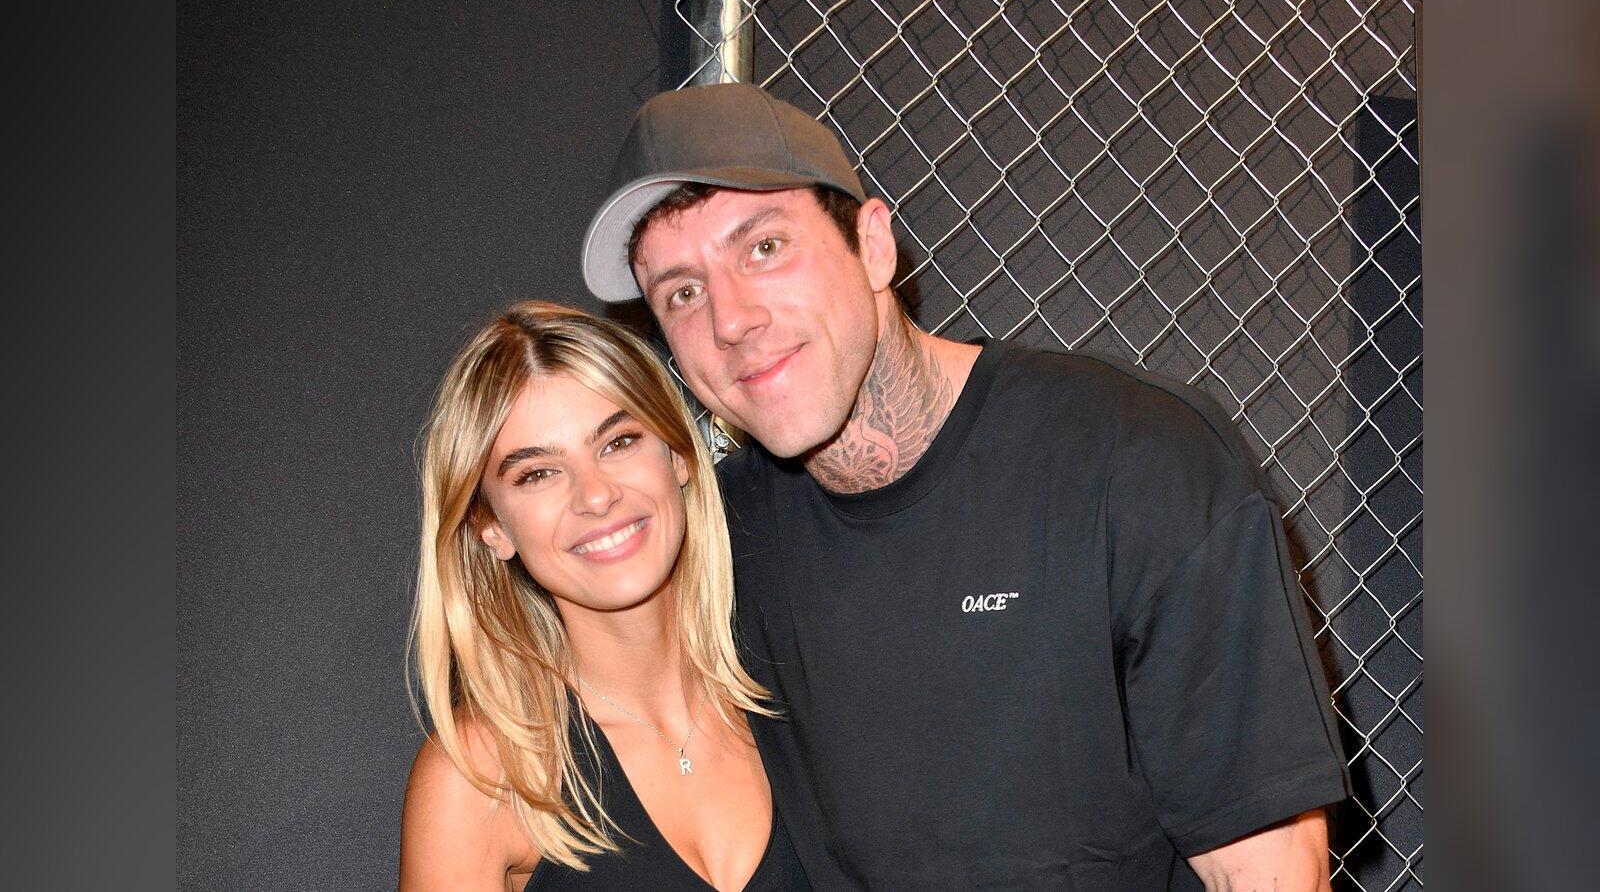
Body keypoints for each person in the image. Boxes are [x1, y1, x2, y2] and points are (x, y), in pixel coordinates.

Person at [580, 82, 1352, 890]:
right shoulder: (713, 541)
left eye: (765, 248)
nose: (730, 320)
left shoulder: (1135, 459)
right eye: (682, 292)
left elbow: (1269, 870)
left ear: (873, 246)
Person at [399, 301, 809, 891]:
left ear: (677, 455)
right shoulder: (482, 777)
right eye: (537, 474)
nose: (595, 495)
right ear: (492, 527)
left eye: (618, 442)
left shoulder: (799, 685)